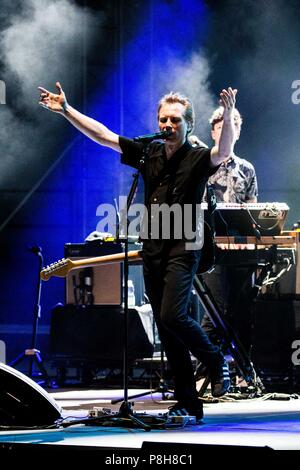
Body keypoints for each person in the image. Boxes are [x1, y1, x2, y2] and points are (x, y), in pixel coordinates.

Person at [38, 82, 237, 423]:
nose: (168, 126)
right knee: (166, 325)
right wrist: (67, 110)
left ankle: (216, 359)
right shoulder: (149, 153)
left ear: (188, 123)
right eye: (163, 119)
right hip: (154, 244)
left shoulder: (199, 156)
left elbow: (225, 150)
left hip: (185, 244)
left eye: (175, 120)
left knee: (174, 316)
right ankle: (189, 402)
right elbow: (104, 136)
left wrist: (230, 113)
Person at [198, 106, 258, 375]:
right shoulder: (203, 164)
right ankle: (207, 371)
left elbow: (252, 211)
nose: (226, 132)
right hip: (211, 250)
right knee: (215, 308)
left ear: (238, 132)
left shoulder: (247, 169)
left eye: (231, 126)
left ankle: (244, 373)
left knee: (243, 310)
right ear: (213, 132)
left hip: (241, 251)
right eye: (221, 127)